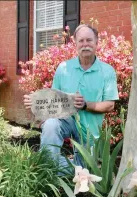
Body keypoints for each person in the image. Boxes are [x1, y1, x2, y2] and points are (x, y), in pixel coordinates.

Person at [24, 24, 119, 170]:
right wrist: (36, 103)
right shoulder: (63, 68)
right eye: (81, 41)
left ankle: (66, 169)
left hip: (90, 131)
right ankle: (50, 166)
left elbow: (110, 105)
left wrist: (86, 105)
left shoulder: (107, 71)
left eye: (89, 40)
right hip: (66, 120)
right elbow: (53, 100)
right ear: (75, 43)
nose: (85, 44)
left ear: (96, 42)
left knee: (86, 168)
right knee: (51, 125)